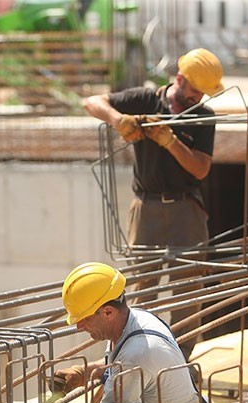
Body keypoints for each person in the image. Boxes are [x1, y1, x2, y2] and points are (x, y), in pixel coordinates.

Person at [82, 48, 224, 361]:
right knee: (141, 287)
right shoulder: (146, 101)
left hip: (186, 210)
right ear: (179, 79)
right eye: (193, 91)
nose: (197, 98)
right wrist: (119, 120)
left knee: (187, 290)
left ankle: (179, 359)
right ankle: (134, 354)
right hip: (146, 207)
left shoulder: (202, 116)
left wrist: (170, 141)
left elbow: (200, 168)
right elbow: (92, 102)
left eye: (203, 94)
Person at [14, 262, 207, 403]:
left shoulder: (138, 353)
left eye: (84, 318)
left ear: (107, 312)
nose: (79, 326)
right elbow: (115, 365)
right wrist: (83, 373)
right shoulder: (133, 321)